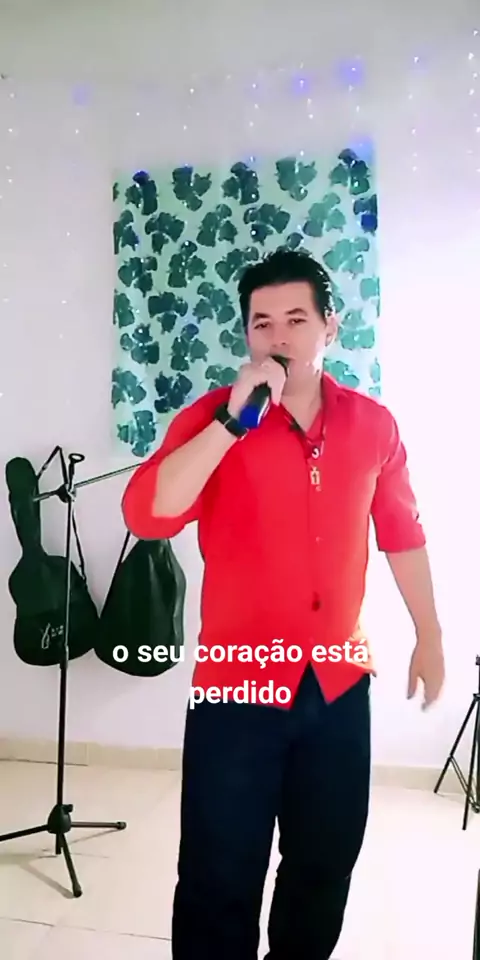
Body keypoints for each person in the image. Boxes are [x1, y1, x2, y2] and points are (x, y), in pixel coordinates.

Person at [121, 249, 445, 960]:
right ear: (246, 335)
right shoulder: (213, 418)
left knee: (324, 864)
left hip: (336, 680)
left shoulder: (373, 425)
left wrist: (431, 635)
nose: (278, 337)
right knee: (218, 874)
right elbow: (149, 515)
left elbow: (402, 532)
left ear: (330, 326)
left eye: (296, 319)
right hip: (237, 684)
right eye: (261, 323)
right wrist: (231, 424)